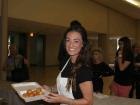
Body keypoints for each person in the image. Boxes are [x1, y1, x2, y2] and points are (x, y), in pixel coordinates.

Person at [43, 20, 93, 105]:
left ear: (83, 44)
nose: (70, 45)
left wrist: (64, 100)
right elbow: (61, 86)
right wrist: (50, 89)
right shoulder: (65, 62)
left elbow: (88, 102)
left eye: (76, 41)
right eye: (68, 40)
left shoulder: (84, 70)